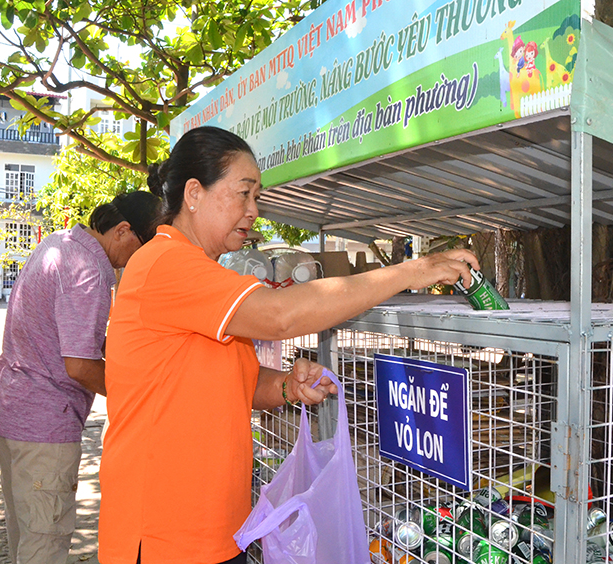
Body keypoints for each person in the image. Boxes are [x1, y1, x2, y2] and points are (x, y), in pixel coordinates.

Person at [98, 126, 479, 564]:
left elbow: (236, 382)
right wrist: (411, 273)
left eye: (256, 196)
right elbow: (280, 315)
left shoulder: (205, 274)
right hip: (165, 532)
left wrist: (285, 386)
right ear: (194, 193)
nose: (253, 210)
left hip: (218, 527)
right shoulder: (167, 263)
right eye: (243, 193)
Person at [0, 190, 161, 564]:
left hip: (12, 410)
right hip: (44, 423)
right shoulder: (89, 269)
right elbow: (80, 365)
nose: (140, 257)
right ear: (123, 231)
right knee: (44, 545)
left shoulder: (60, 241)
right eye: (143, 246)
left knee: (26, 536)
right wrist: (132, 398)